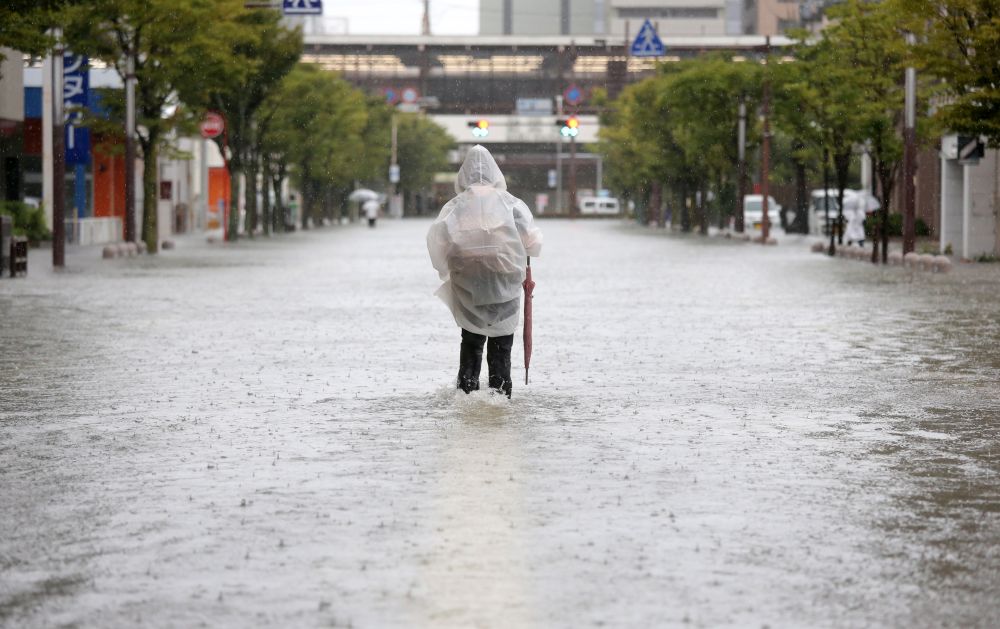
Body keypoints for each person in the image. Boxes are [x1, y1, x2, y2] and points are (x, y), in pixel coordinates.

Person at [427, 145, 543, 398]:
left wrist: (447, 271)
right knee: (501, 344)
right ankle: (499, 398)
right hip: (505, 282)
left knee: (471, 341)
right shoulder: (511, 204)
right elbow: (533, 244)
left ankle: (466, 393)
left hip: (468, 283)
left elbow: (438, 245)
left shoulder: (454, 207)